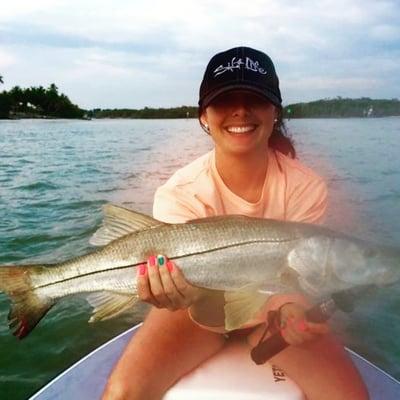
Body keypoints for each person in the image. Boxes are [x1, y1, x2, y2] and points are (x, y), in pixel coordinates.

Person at [102, 46, 368, 400]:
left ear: (275, 111)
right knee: (122, 394)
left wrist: (290, 310)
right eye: (225, 100)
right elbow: (186, 295)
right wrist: (169, 293)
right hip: (193, 314)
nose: (240, 110)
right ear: (203, 116)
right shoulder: (180, 191)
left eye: (255, 99)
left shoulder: (306, 186)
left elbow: (293, 279)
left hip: (271, 314)